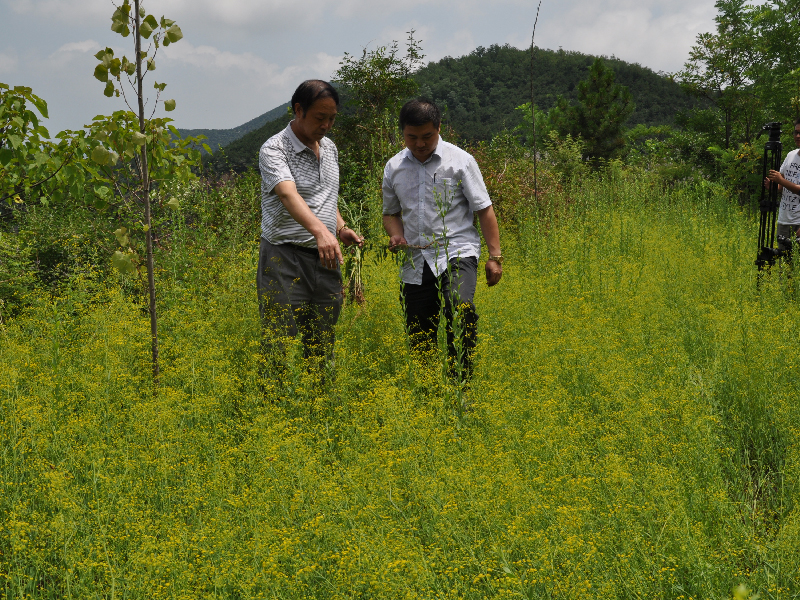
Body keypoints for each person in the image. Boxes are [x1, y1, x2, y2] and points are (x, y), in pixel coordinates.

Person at [382, 98, 502, 380]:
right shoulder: (394, 167)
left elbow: (484, 209)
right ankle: (427, 392)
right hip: (415, 258)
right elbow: (390, 213)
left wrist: (494, 257)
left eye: (427, 136)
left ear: (438, 128)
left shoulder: (460, 161)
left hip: (457, 250)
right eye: (412, 137)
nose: (420, 144)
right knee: (418, 327)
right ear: (402, 133)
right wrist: (396, 235)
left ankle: (461, 384)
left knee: (460, 308)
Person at [257, 80, 363, 382]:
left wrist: (339, 227)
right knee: (279, 338)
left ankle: (318, 405)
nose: (327, 125)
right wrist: (321, 232)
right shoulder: (274, 149)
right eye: (320, 118)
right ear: (298, 110)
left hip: (325, 258)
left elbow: (324, 195)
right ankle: (272, 406)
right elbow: (289, 195)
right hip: (284, 257)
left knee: (322, 339)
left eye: (332, 118)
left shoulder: (330, 148)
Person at [766, 118, 800, 254]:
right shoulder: (791, 155)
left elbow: (784, 182)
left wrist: (780, 180)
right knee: (784, 264)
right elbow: (782, 187)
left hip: (798, 221)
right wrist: (773, 186)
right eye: (796, 132)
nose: (797, 136)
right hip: (784, 219)